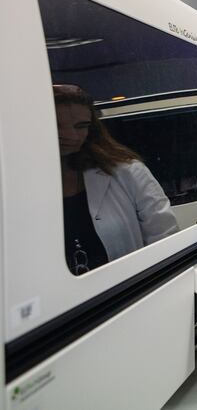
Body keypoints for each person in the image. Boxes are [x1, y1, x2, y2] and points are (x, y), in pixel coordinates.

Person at [54, 84, 179, 274]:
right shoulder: (18, 187)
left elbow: (165, 235)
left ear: (92, 128)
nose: (71, 136)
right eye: (57, 125)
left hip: (126, 293)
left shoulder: (126, 171)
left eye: (81, 126)